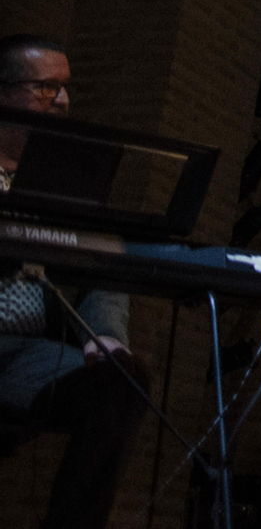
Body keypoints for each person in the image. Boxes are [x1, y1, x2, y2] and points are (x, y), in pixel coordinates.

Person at [0, 34, 153, 529]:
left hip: (25, 353)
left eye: (66, 88)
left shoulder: (67, 179)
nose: (63, 100)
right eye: (46, 87)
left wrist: (103, 336)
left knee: (121, 381)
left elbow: (101, 268)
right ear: (4, 93)